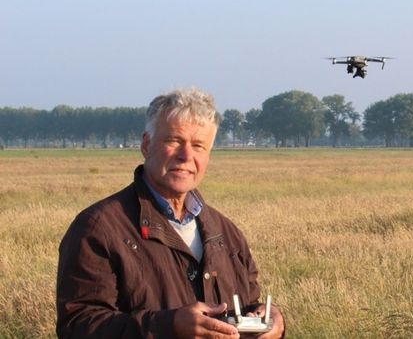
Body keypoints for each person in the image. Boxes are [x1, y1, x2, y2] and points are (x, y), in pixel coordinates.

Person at [56, 88, 286, 338]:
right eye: (174, 141)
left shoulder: (226, 232)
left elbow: (248, 305)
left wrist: (271, 319)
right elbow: (77, 325)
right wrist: (169, 326)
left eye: (198, 146)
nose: (186, 156)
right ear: (146, 145)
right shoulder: (98, 229)